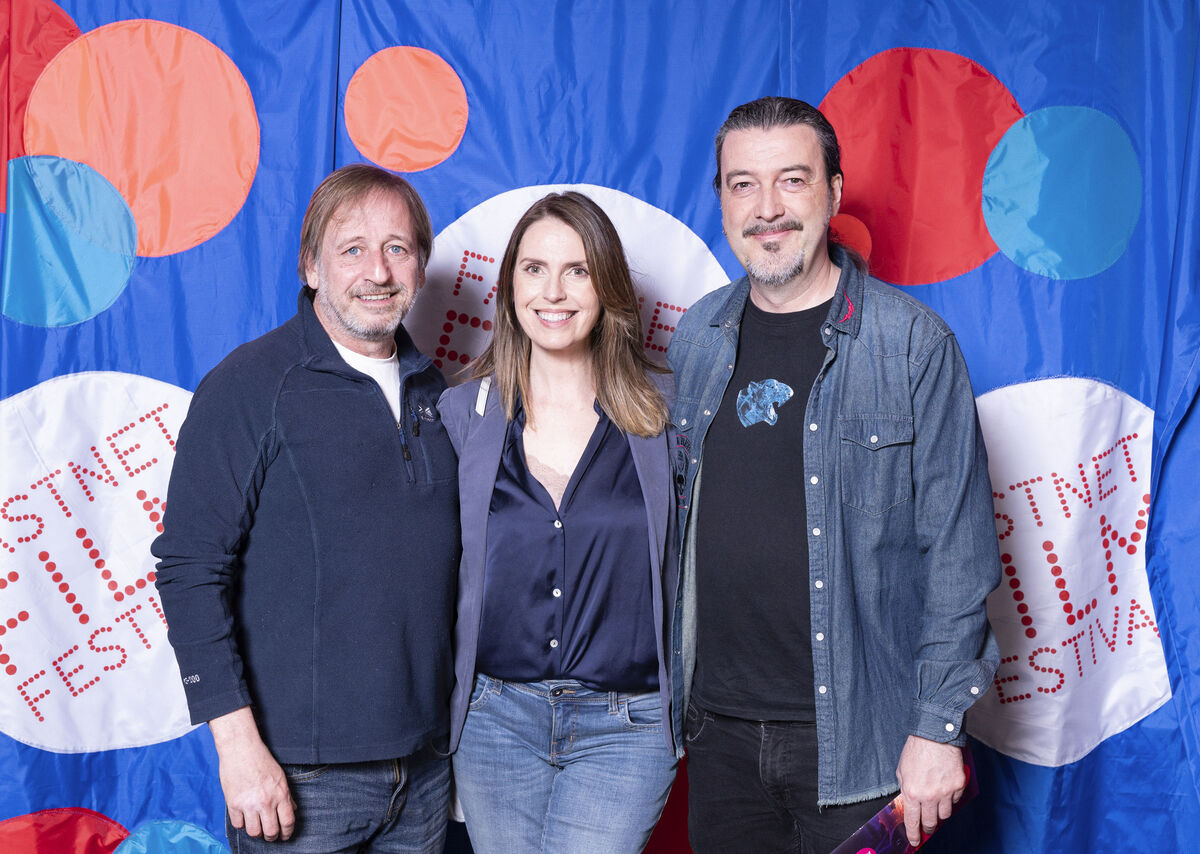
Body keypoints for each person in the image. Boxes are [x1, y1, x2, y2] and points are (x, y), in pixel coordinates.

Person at [666, 96, 1001, 853]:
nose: (768, 208)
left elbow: (959, 558)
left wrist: (938, 727)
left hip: (864, 743)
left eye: (792, 179)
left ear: (835, 192)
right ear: (721, 198)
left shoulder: (913, 346)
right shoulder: (697, 338)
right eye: (743, 184)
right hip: (719, 736)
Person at [152, 164, 459, 852]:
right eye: (352, 248)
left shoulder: (439, 392)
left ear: (419, 266)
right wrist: (238, 751)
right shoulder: (250, 387)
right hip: (302, 780)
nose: (377, 271)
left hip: (430, 769)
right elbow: (188, 572)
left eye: (398, 248)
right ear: (311, 267)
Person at [438, 191, 680, 853]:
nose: (554, 290)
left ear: (606, 286)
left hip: (625, 725)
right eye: (535, 268)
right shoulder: (463, 415)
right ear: (510, 282)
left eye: (577, 270)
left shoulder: (667, 418)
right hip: (495, 721)